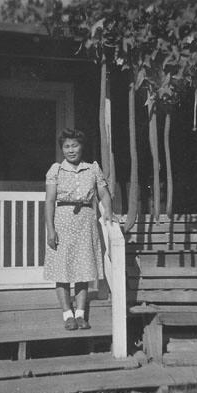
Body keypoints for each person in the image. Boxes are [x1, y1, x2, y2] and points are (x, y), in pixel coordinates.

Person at [44, 129, 113, 330]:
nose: (71, 150)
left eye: (75, 145)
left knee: (83, 270)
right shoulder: (56, 170)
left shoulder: (92, 169)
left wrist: (108, 210)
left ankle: (81, 314)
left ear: (81, 146)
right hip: (62, 222)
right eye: (67, 146)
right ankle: (67, 314)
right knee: (62, 270)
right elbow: (49, 201)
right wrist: (50, 230)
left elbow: (103, 193)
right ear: (62, 149)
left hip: (85, 221)